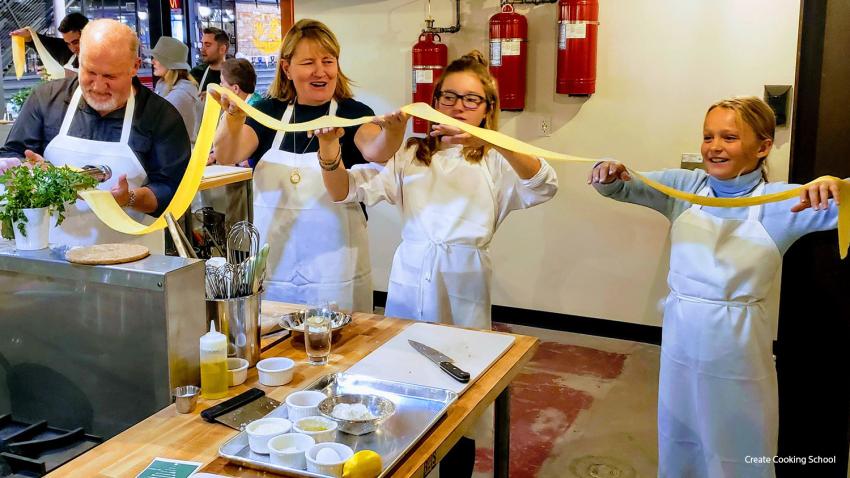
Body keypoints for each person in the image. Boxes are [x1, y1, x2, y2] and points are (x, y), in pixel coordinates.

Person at [588, 97, 844, 477]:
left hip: (737, 349)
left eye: (729, 137)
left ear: (762, 147)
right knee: (680, 437)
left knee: (738, 444)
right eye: (708, 136)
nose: (714, 147)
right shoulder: (684, 187)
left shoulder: (784, 203)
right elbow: (620, 186)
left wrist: (837, 185)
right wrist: (605, 170)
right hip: (681, 339)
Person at [321, 50, 558, 329]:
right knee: (405, 354)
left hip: (464, 276)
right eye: (449, 97)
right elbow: (344, 190)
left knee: (462, 356)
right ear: (434, 103)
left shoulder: (495, 161)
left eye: (471, 100)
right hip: (412, 273)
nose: (458, 107)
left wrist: (491, 141)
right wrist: (328, 149)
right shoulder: (410, 155)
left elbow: (544, 185)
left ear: (487, 109)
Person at [212, 19, 396, 312]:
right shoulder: (266, 112)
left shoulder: (353, 114)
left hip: (337, 272)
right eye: (309, 62)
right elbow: (226, 153)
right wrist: (232, 118)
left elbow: (377, 149)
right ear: (287, 68)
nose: (320, 71)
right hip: (276, 271)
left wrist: (394, 131)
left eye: (328, 61)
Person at [0, 19, 191, 251]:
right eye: (90, 72)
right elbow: (15, 154)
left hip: (132, 259)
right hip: (51, 257)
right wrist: (22, 168)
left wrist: (128, 198)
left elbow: (171, 191)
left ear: (134, 66)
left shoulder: (161, 116)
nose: (98, 86)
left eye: (110, 77)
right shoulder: (45, 100)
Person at [151, 36, 199, 143]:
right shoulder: (163, 84)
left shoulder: (181, 94)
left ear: (169, 63)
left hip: (179, 155)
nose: (152, 62)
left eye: (157, 58)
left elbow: (153, 125)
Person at [10, 12, 89, 72]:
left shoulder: (100, 57)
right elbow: (39, 42)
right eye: (68, 43)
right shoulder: (65, 51)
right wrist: (28, 36)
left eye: (76, 42)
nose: (72, 48)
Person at [190, 27, 228, 98]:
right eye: (202, 44)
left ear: (222, 49)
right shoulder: (196, 73)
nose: (202, 49)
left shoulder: (235, 76)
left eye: (207, 45)